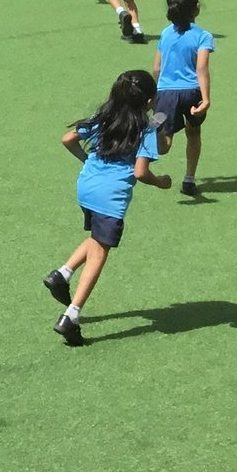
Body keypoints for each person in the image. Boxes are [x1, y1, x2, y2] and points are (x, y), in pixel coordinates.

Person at [42, 69, 171, 345]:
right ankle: (71, 316)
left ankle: (61, 274)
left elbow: (68, 139)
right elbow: (140, 172)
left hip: (86, 188)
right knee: (100, 253)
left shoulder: (104, 118)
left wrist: (86, 160)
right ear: (149, 102)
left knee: (96, 240)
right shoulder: (145, 129)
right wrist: (160, 182)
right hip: (110, 198)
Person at [153, 0, 213, 197]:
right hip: (192, 93)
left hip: (166, 93)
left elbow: (157, 68)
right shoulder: (203, 36)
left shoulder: (165, 34)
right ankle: (189, 178)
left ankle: (150, 132)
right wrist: (206, 99)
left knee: (164, 144)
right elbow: (202, 68)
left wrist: (153, 95)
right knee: (193, 132)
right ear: (196, 8)